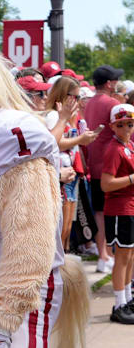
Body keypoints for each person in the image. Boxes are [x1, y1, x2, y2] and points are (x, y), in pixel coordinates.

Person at [44, 76, 99, 252]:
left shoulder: (68, 118)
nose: (77, 101)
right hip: (60, 173)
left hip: (71, 173)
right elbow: (55, 143)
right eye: (74, 96)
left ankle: (63, 266)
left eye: (78, 97)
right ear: (62, 94)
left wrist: (83, 139)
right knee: (61, 228)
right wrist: (80, 139)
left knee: (67, 227)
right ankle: (56, 269)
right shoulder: (54, 115)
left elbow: (70, 142)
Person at [85, 65, 123, 272]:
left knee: (100, 212)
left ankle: (104, 255)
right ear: (109, 83)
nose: (116, 83)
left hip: (94, 164)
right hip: (112, 166)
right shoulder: (112, 103)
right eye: (115, 80)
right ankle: (110, 254)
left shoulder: (89, 103)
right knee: (113, 212)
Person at [100, 103, 134, 324]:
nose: (126, 129)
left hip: (129, 207)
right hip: (120, 208)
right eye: (121, 125)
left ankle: (128, 298)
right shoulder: (114, 149)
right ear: (113, 126)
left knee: (130, 256)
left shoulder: (128, 145)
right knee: (122, 257)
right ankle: (119, 303)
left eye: (130, 124)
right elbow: (106, 184)